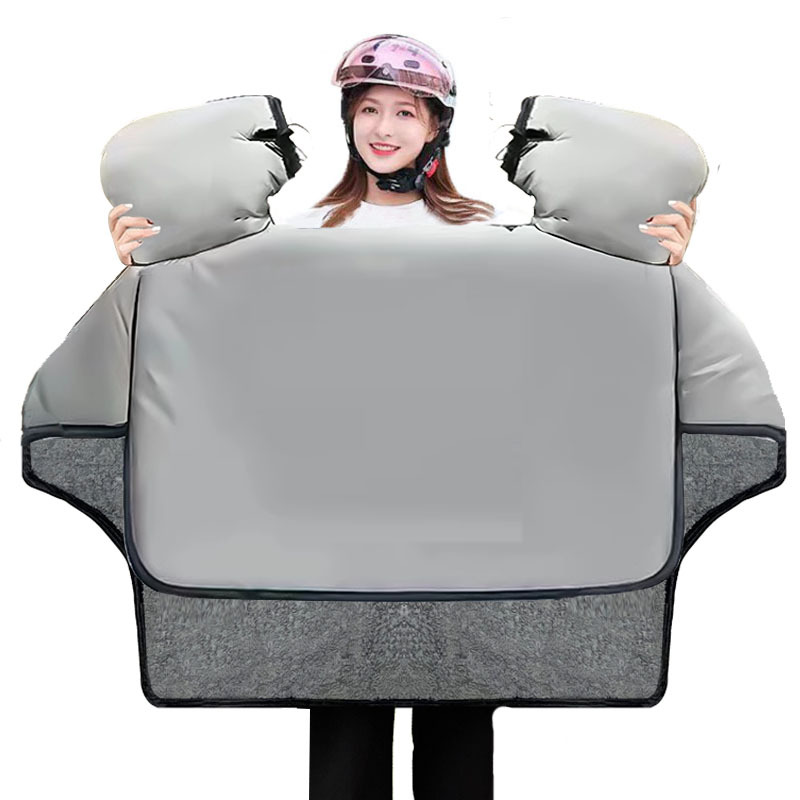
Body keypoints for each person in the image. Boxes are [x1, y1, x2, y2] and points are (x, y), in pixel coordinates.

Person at [105, 32, 699, 800]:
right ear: (349, 120)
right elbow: (233, 357)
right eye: (369, 109)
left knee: (458, 753)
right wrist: (146, 278)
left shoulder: (495, 237)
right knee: (345, 752)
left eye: (405, 112)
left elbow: (565, 350)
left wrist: (659, 274)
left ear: (436, 126)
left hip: (468, 524)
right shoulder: (295, 240)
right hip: (333, 526)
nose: (383, 128)